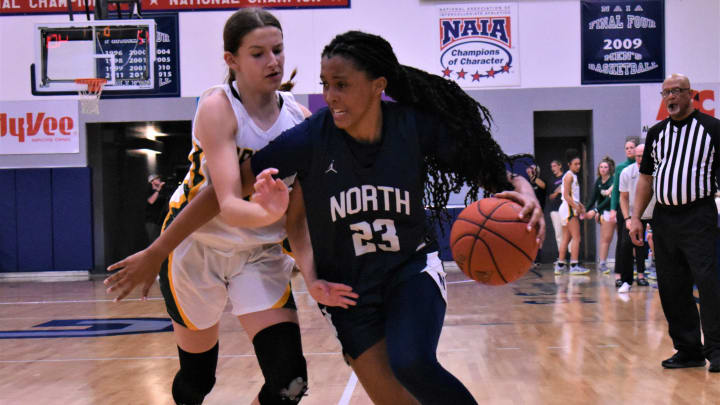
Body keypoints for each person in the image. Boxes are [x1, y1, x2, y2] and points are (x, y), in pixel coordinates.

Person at [105, 30, 545, 404]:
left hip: (409, 269)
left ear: (377, 85)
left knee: (413, 361)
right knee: (392, 398)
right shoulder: (313, 137)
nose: (330, 96)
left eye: (341, 84)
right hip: (346, 288)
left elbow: (487, 162)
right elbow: (222, 193)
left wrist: (523, 188)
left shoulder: (412, 127)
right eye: (325, 84)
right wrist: (158, 249)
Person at [110, 9, 322, 405]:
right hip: (197, 246)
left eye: (277, 50)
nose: (273, 61)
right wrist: (157, 252)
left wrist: (312, 276)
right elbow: (225, 202)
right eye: (258, 53)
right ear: (231, 60)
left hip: (258, 254)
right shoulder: (218, 107)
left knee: (290, 382)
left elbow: (298, 221)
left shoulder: (299, 119)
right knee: (197, 380)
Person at [629, 73, 720, 373]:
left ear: (691, 94)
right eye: (665, 92)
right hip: (664, 218)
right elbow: (646, 179)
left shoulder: (712, 129)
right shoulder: (656, 133)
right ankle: (688, 349)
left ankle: (717, 351)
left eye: (677, 91)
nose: (670, 97)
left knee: (709, 285)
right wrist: (636, 218)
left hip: (699, 216)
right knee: (671, 286)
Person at [617, 144, 652, 292]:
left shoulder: (656, 171)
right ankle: (626, 281)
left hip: (653, 214)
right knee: (626, 244)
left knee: (660, 245)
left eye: (643, 156)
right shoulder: (626, 172)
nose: (640, 159)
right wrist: (627, 219)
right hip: (634, 215)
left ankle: (646, 275)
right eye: (637, 156)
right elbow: (623, 198)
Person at [607, 137, 639, 285]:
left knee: (640, 243)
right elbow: (616, 191)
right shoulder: (621, 168)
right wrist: (613, 209)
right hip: (624, 209)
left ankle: (640, 274)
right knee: (622, 242)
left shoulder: (642, 166)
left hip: (640, 209)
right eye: (627, 148)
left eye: (632, 147)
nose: (629, 150)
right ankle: (619, 275)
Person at [554, 150, 589, 275]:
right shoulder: (569, 176)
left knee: (566, 238)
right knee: (577, 237)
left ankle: (560, 265)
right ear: (569, 164)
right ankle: (574, 265)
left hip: (567, 208)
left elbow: (573, 197)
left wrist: (581, 205)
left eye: (579, 164)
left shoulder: (573, 176)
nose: (578, 166)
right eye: (576, 164)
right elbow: (566, 196)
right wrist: (576, 207)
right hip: (568, 208)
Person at [583, 157, 615, 273]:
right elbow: (593, 198)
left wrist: (596, 210)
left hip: (616, 211)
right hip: (605, 213)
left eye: (605, 167)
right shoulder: (598, 181)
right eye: (601, 167)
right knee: (605, 239)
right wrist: (585, 211)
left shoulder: (613, 181)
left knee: (623, 239)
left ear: (609, 169)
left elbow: (609, 200)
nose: (603, 169)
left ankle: (633, 264)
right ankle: (602, 263)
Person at [547, 159, 565, 255]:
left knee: (569, 233)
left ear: (560, 166)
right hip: (555, 209)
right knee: (559, 234)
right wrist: (556, 192)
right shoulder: (551, 180)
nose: (553, 168)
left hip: (566, 209)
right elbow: (550, 196)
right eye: (551, 167)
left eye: (554, 166)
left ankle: (572, 257)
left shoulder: (566, 177)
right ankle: (562, 258)